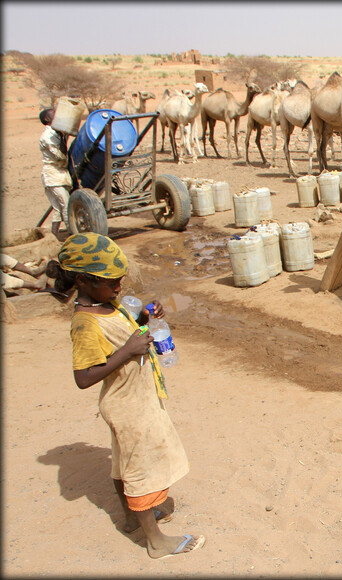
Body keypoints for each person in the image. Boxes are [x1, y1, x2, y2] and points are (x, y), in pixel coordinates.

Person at [45, 233, 205, 560]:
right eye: (112, 282)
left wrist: (146, 318)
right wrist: (128, 351)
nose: (119, 287)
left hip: (134, 399)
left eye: (120, 281)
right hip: (128, 405)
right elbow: (84, 377)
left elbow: (130, 328)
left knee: (123, 463)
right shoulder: (85, 324)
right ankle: (156, 541)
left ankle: (133, 518)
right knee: (142, 468)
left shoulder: (106, 304)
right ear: (83, 281)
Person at [39, 108, 73, 239]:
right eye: (54, 114)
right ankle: (73, 234)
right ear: (47, 119)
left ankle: (53, 237)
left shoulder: (55, 133)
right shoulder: (47, 137)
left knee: (58, 207)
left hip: (59, 173)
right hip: (52, 175)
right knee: (66, 204)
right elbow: (60, 156)